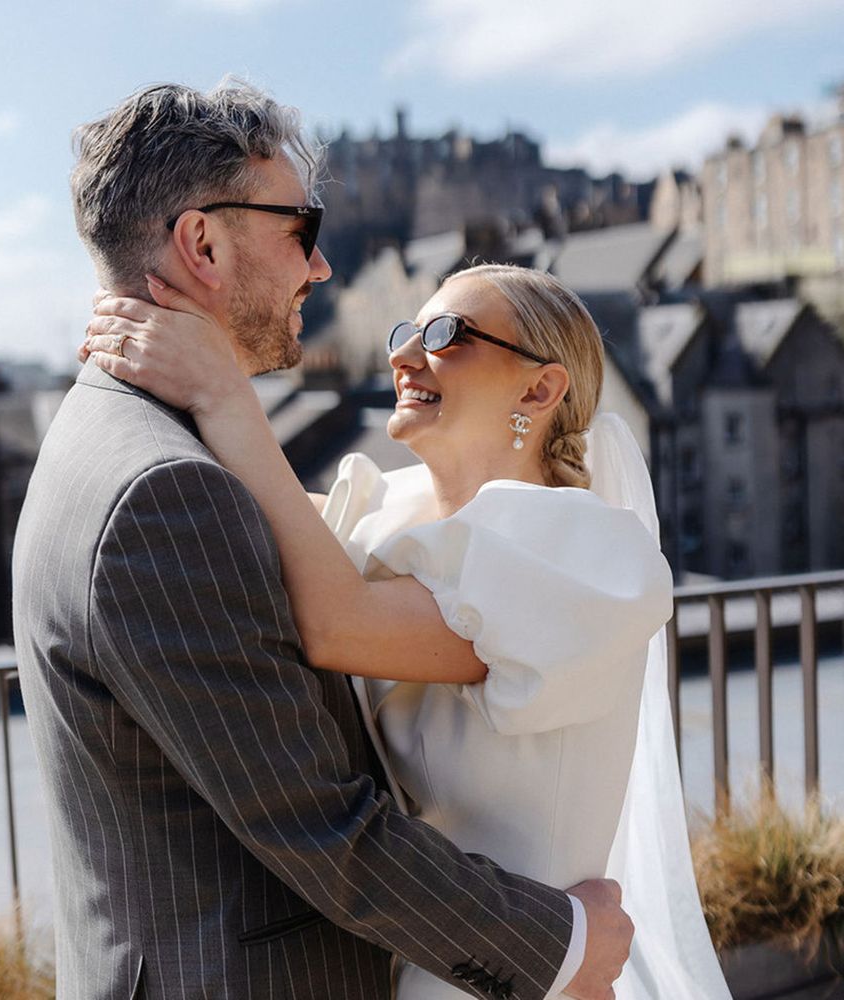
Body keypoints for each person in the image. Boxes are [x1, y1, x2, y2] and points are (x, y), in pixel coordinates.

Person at [13, 81, 635, 1000]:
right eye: (300, 231)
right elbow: (317, 823)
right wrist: (564, 944)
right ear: (204, 245)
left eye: (446, 333)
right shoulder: (167, 491)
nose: (321, 267)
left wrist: (225, 397)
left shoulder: (128, 442)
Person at [81, 260, 733, 999]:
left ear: (538, 390)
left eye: (448, 334)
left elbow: (337, 624)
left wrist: (222, 390)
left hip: (520, 966)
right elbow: (255, 508)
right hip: (436, 955)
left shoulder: (580, 554)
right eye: (405, 333)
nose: (405, 355)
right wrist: (162, 343)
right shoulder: (399, 513)